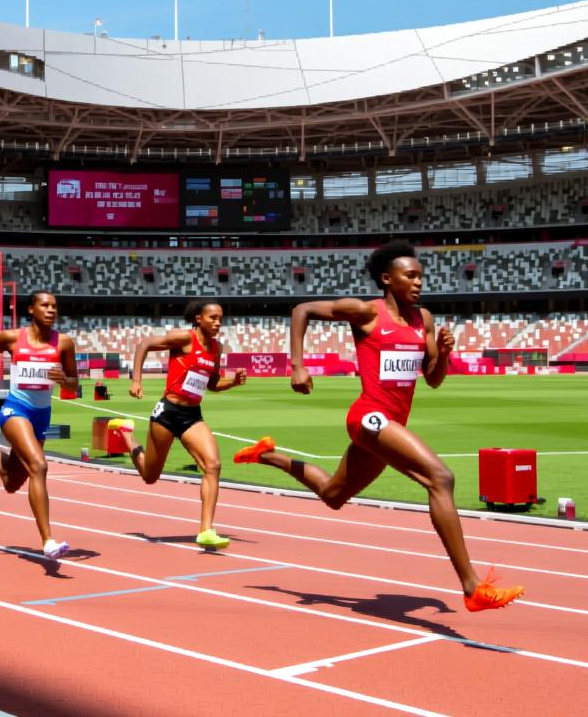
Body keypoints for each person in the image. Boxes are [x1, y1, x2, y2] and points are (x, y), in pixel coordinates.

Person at [234, 240, 525, 612]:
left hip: (391, 422)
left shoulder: (425, 320)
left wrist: (446, 354)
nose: (419, 283)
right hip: (369, 416)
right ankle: (472, 587)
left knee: (333, 495)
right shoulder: (365, 313)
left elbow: (432, 380)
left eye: (421, 276)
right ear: (388, 279)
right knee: (441, 478)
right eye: (411, 276)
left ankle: (267, 455)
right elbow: (301, 309)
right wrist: (297, 365)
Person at [126, 300, 246, 550]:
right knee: (150, 476)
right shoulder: (183, 338)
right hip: (168, 413)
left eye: (220, 318)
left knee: (212, 465)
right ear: (198, 318)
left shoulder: (216, 348)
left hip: (192, 416)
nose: (217, 323)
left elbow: (212, 385)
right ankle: (127, 436)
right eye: (212, 317)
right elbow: (144, 344)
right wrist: (137, 380)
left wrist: (232, 382)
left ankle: (206, 530)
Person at [0, 291, 78, 561]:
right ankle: (48, 541)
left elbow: (75, 385)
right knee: (39, 466)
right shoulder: (11, 338)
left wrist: (65, 379)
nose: (51, 310)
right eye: (45, 305)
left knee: (11, 482)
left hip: (42, 416)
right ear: (31, 309)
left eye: (54, 306)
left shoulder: (64, 343)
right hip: (15, 410)